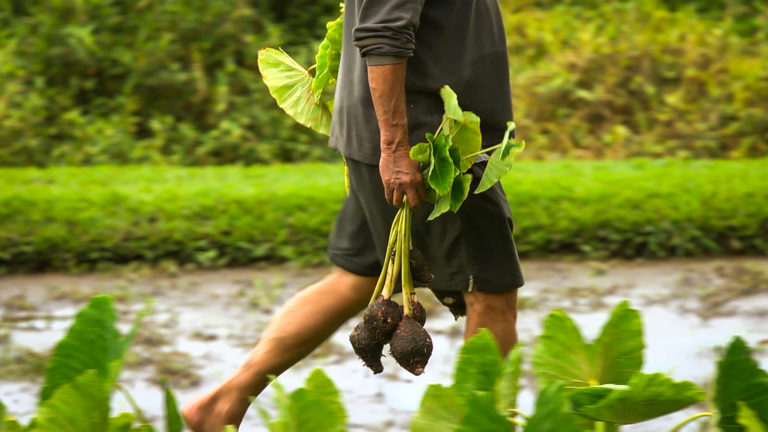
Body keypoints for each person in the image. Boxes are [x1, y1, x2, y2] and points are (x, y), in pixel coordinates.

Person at [182, 0, 523, 430]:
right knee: (490, 294)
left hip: (403, 142)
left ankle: (222, 404)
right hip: (432, 152)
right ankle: (484, 425)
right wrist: (397, 150)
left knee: (357, 278)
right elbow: (383, 34)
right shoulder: (419, 153)